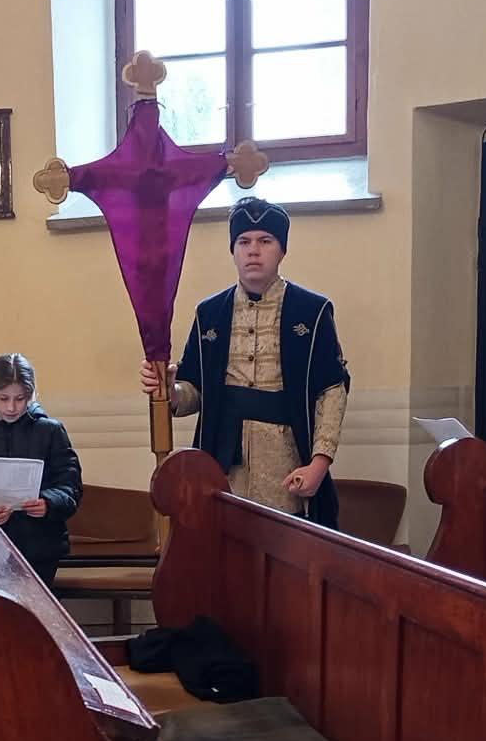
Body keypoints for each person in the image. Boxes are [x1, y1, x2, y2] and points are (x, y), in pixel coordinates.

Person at [141, 197, 350, 526]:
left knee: (285, 548)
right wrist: (171, 391)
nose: (253, 251)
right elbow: (194, 390)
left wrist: (319, 464)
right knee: (224, 545)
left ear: (282, 250)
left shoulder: (313, 311)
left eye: (265, 241)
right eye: (244, 241)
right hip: (221, 462)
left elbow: (332, 390)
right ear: (233, 250)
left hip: (287, 462)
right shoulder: (209, 313)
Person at [0, 354, 83, 588]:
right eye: (3, 398)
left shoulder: (51, 432)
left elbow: (70, 486)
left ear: (31, 395)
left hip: (40, 548)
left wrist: (48, 503)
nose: (11, 407)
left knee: (36, 608)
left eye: (20, 399)